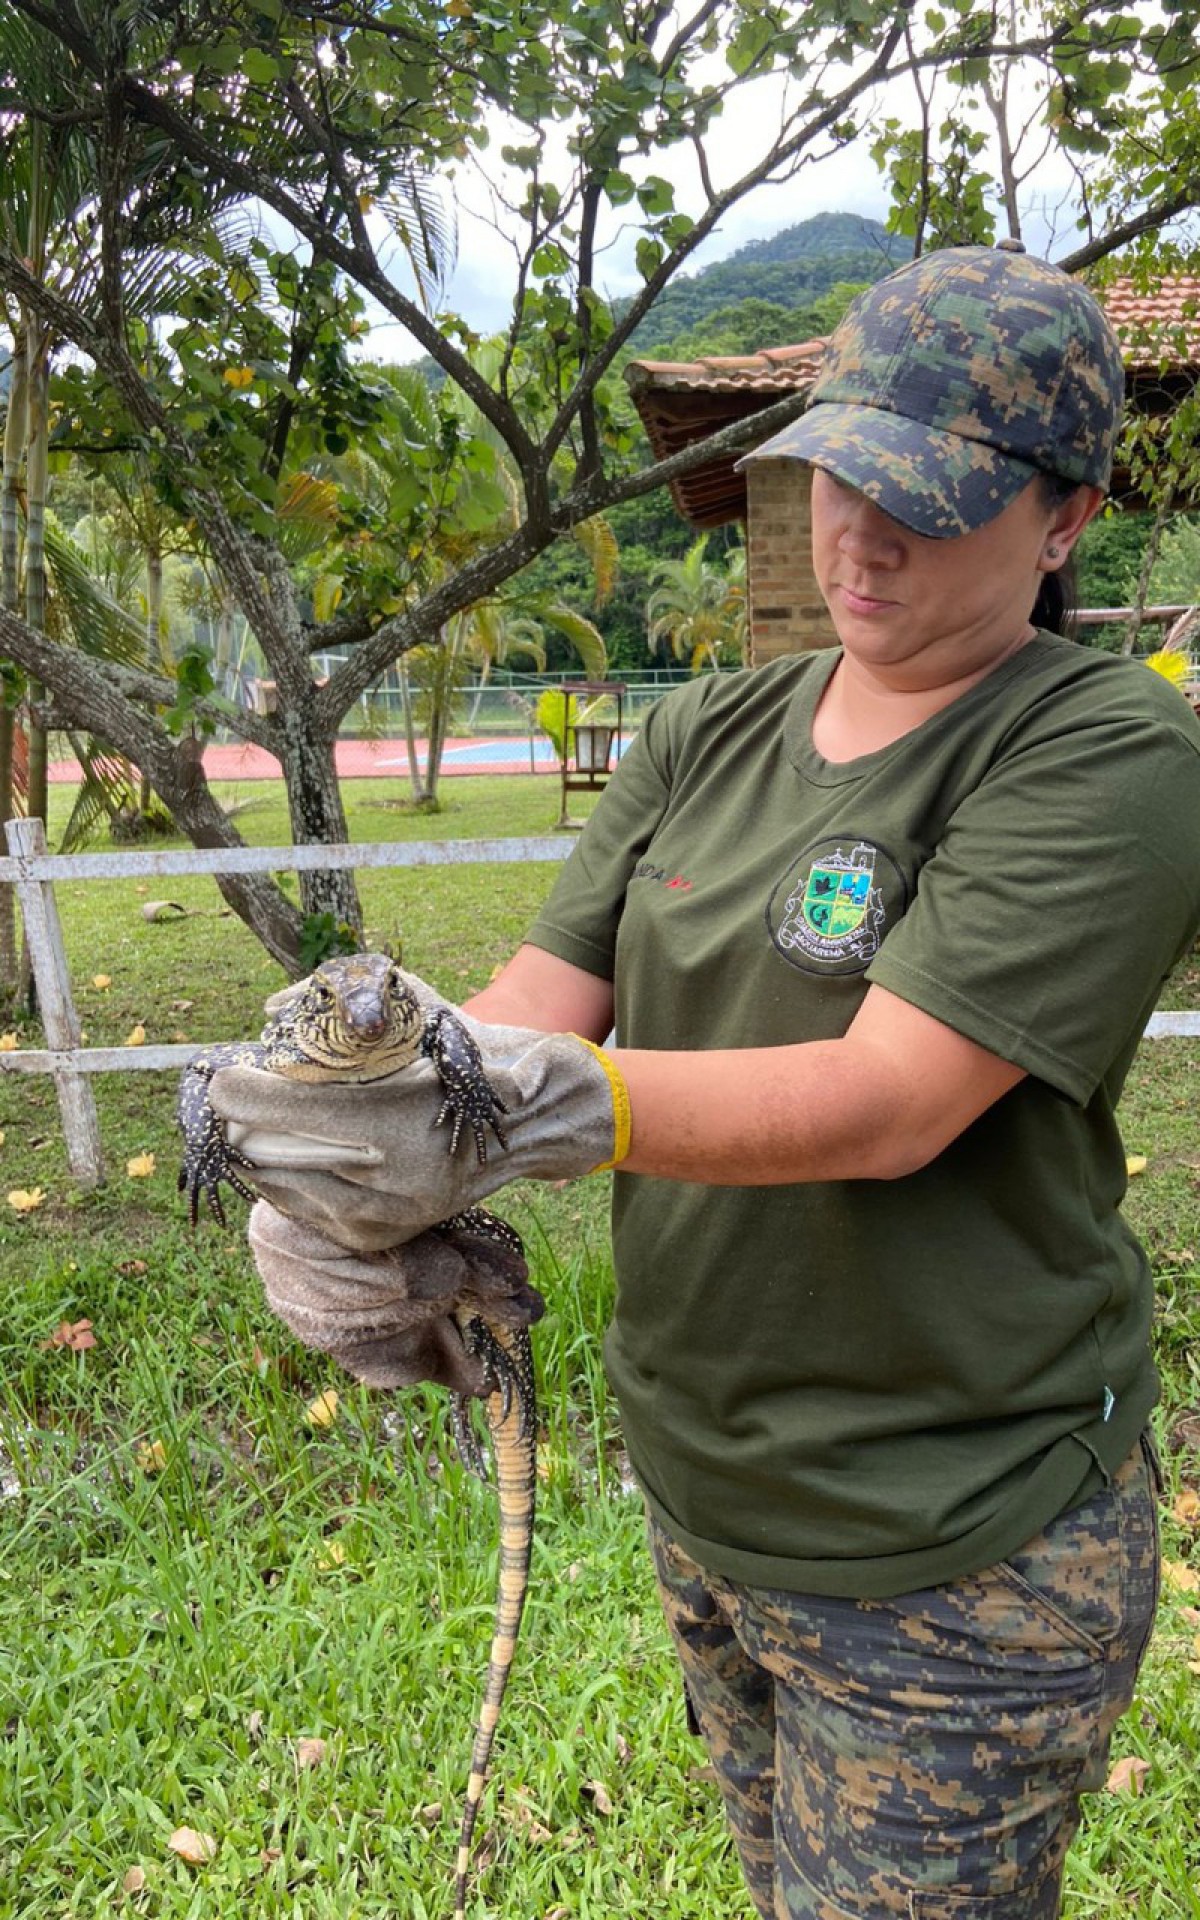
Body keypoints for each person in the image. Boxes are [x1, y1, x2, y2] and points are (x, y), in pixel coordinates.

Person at [211, 243, 1200, 1918]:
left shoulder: (1104, 748)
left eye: (932, 499)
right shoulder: (707, 734)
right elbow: (522, 1004)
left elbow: (890, 1099)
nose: (861, 537)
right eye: (837, 477)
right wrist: (333, 1146)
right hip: (710, 1494)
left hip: (957, 1542)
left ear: (1067, 518)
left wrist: (544, 1112)